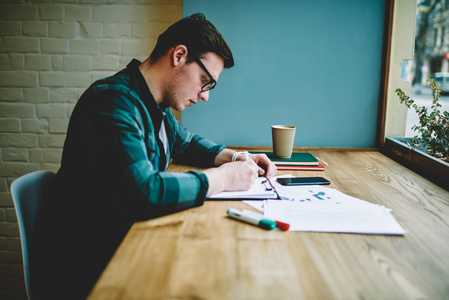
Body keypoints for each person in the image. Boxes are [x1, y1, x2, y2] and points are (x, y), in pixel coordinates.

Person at [31, 13, 276, 299]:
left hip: (126, 244)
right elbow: (143, 191)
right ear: (179, 55)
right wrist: (222, 179)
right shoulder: (112, 102)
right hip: (91, 268)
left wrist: (236, 158)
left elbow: (186, 143)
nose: (206, 95)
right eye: (205, 81)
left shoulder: (155, 104)